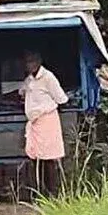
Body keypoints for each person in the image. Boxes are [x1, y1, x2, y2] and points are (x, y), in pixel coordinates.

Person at [21, 50, 68, 196]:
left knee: (49, 158)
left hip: (47, 120)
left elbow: (61, 98)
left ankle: (52, 193)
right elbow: (22, 92)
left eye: (31, 62)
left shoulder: (48, 77)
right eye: (27, 62)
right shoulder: (29, 80)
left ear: (38, 62)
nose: (28, 65)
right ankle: (41, 192)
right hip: (35, 122)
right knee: (36, 158)